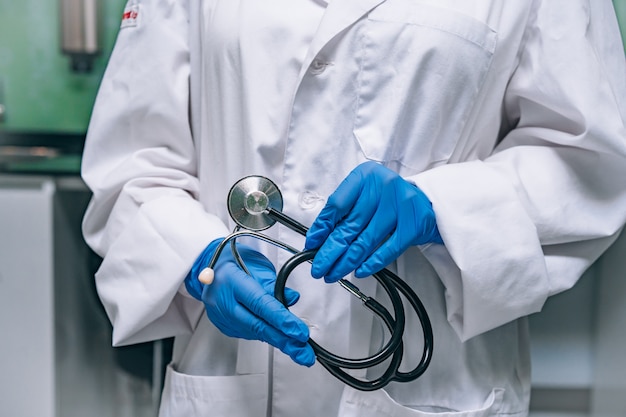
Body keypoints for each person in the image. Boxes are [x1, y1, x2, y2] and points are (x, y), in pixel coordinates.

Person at [81, 0, 626, 416]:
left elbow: (592, 160)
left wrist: (445, 208)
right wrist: (201, 260)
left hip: (433, 380)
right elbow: (133, 160)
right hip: (228, 376)